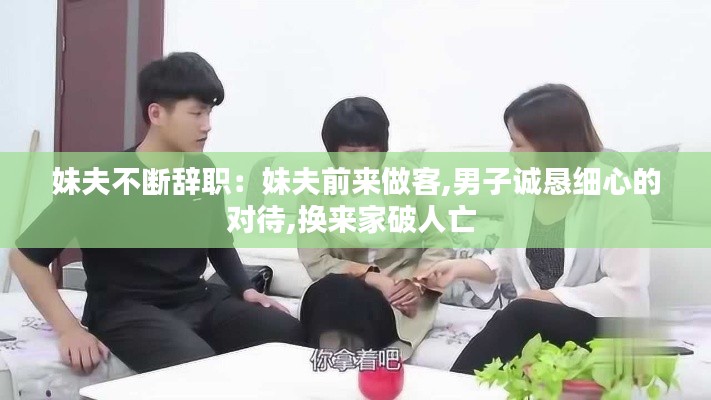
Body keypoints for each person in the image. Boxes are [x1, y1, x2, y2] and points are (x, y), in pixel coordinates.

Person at [9, 52, 305, 374]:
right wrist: (69, 329)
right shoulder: (102, 180)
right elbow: (25, 258)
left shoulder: (202, 171)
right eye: (196, 113)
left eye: (209, 113)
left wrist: (245, 289)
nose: (207, 126)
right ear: (156, 113)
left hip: (196, 299)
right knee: (196, 366)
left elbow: (218, 241)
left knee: (288, 334)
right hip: (126, 311)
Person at [417, 84, 651, 374]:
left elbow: (626, 292)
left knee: (519, 314)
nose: (511, 153)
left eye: (518, 144)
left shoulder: (618, 197)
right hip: (534, 321)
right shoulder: (524, 192)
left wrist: (548, 298)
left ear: (552, 147)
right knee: (520, 317)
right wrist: (457, 268)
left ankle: (454, 389)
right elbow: (504, 261)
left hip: (605, 327)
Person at [298, 97, 451, 360]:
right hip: (335, 292)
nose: (363, 162)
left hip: (397, 301)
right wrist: (372, 278)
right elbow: (316, 260)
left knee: (344, 302)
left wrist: (417, 284)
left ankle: (335, 372)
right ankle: (337, 373)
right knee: (338, 292)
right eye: (351, 153)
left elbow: (440, 242)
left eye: (372, 151)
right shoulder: (313, 189)